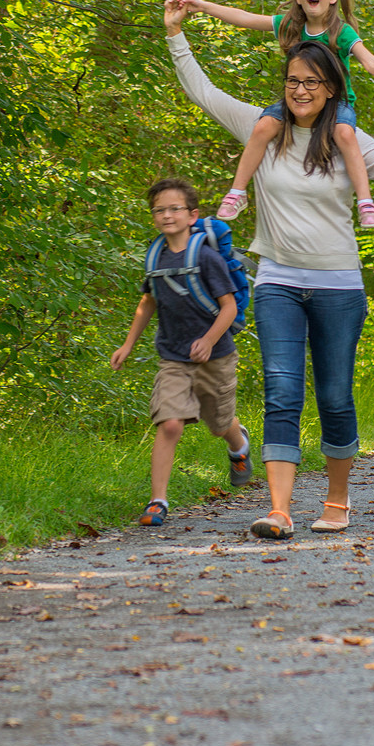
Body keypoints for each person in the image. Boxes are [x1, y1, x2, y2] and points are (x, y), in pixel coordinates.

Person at [163, 0, 374, 540]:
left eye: (312, 83)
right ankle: (280, 509)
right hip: (278, 283)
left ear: (331, 88)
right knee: (282, 392)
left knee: (335, 395)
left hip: (339, 286)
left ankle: (337, 501)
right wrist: (176, 34)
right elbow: (202, 92)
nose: (300, 91)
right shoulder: (262, 129)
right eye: (293, 80)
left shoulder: (348, 140)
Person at [171, 0, 374, 229]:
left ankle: (365, 202)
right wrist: (203, 6)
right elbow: (244, 18)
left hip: (336, 103)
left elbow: (370, 62)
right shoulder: (289, 25)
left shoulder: (341, 32)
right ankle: (238, 192)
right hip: (297, 100)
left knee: (346, 134)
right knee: (264, 125)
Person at [110, 178, 256, 526]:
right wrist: (128, 344)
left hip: (216, 355)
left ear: (192, 215)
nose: (166, 215)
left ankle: (238, 446)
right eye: (159, 210)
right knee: (170, 423)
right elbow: (148, 302)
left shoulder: (206, 258)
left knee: (218, 424)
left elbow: (229, 309)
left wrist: (207, 340)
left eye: (174, 208)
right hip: (173, 356)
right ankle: (158, 500)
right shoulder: (155, 256)